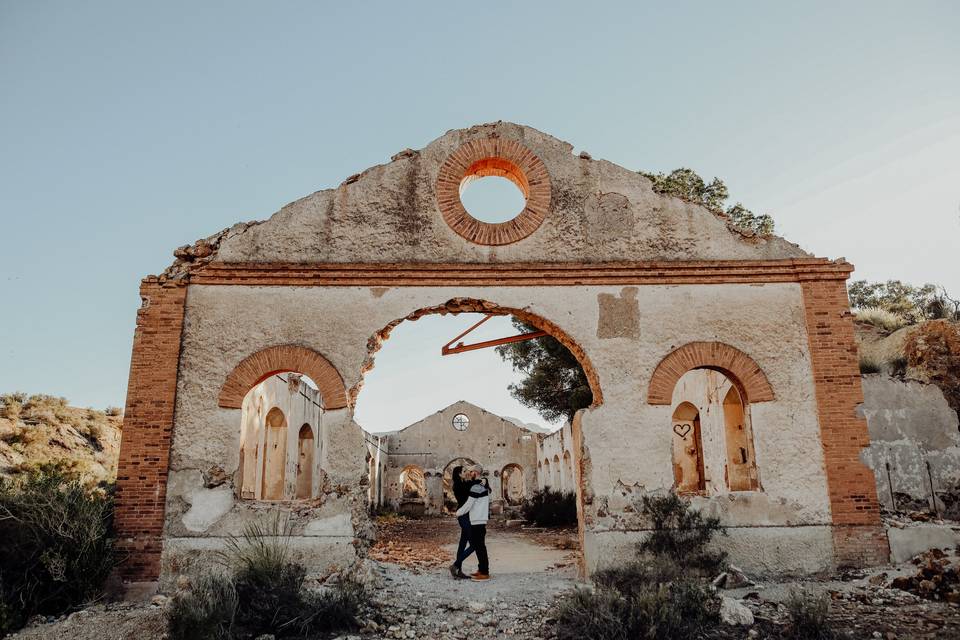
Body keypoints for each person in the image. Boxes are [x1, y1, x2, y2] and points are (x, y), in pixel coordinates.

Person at [455, 464, 490, 581]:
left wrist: (457, 513)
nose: (469, 473)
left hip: (474, 518)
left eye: (470, 471)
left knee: (477, 545)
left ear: (475, 472)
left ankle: (483, 571)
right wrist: (484, 480)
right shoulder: (464, 485)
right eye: (465, 471)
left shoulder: (476, 486)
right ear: (459, 474)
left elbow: (469, 504)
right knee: (477, 545)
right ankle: (460, 567)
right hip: (473, 518)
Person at [449, 465, 473, 579]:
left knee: (463, 543)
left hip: (466, 515)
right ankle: (455, 565)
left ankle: (458, 571)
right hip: (463, 516)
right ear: (459, 474)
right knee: (474, 544)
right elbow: (469, 491)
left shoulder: (462, 484)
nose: (466, 472)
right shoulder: (459, 485)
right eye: (464, 471)